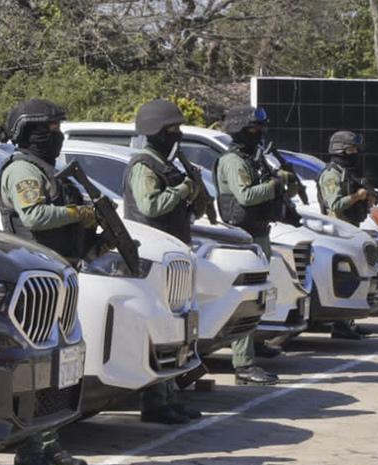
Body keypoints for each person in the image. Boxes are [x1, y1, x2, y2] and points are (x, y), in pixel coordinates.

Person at [0, 98, 93, 465]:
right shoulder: (22, 169)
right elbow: (34, 215)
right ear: (28, 132)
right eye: (49, 130)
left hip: (57, 275)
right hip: (37, 282)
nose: (57, 136)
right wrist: (76, 213)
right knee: (39, 368)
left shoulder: (46, 170)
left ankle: (49, 446)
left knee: (59, 367)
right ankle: (30, 451)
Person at [121, 99, 207, 424]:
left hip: (175, 256)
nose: (178, 135)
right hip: (154, 258)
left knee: (178, 331)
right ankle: (155, 402)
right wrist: (185, 188)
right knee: (160, 331)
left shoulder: (169, 164)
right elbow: (152, 206)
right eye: (172, 130)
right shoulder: (145, 166)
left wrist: (196, 191)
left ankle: (170, 396)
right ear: (155, 132)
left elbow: (190, 211)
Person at [213, 105, 289, 386]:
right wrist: (273, 186)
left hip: (258, 235)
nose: (258, 134)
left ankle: (252, 348)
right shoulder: (234, 161)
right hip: (244, 239)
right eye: (253, 130)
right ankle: (243, 364)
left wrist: (281, 185)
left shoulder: (251, 158)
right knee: (248, 300)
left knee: (260, 298)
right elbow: (245, 195)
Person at [315, 130, 376, 340]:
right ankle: (340, 325)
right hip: (338, 231)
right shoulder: (332, 174)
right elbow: (335, 204)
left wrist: (366, 199)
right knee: (343, 278)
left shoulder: (348, 172)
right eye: (351, 149)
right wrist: (357, 196)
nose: (354, 153)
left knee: (356, 275)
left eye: (356, 150)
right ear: (339, 150)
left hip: (351, 229)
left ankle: (348, 322)